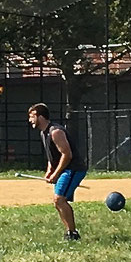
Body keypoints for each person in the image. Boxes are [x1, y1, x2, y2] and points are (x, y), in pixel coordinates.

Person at [29, 103, 83, 241]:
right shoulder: (44, 133)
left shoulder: (55, 132)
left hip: (73, 168)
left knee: (59, 199)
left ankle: (72, 233)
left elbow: (67, 155)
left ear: (40, 117)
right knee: (58, 202)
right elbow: (52, 156)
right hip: (64, 170)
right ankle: (69, 232)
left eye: (32, 116)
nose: (30, 120)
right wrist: (49, 171)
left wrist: (56, 174)